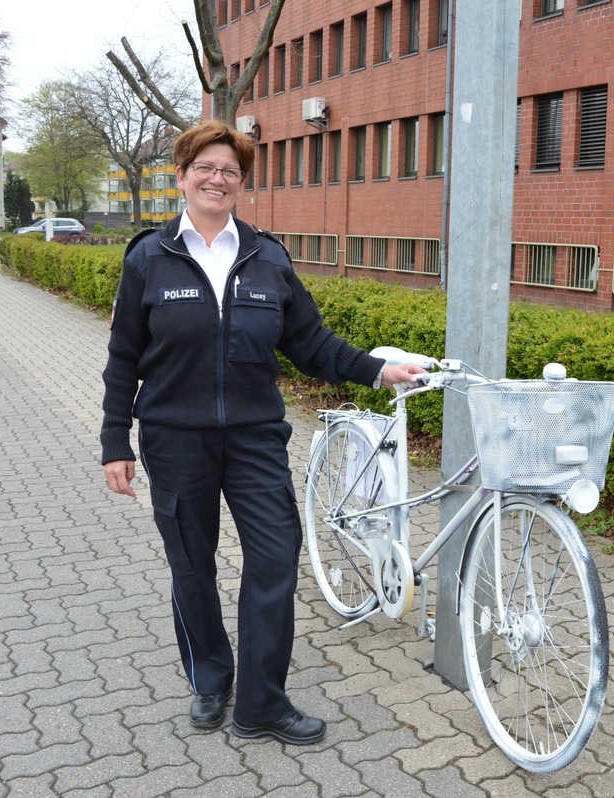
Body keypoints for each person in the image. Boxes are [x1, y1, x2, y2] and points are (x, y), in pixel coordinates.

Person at [100, 120, 425, 746]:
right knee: (192, 567)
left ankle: (261, 703)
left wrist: (379, 370)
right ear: (183, 176)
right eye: (206, 167)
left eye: (230, 171)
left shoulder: (266, 256)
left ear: (241, 183)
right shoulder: (148, 257)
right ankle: (210, 680)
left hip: (254, 439)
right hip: (174, 439)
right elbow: (123, 358)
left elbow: (310, 341)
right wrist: (116, 441)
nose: (217, 179)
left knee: (275, 559)